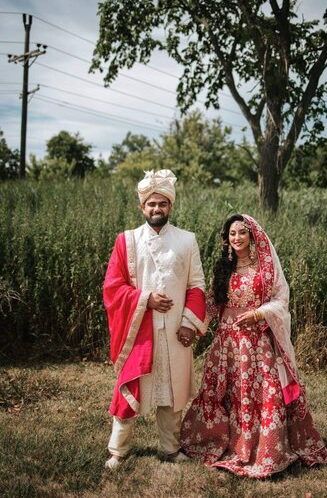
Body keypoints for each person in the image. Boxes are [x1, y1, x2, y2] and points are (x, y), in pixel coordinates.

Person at [180, 214, 327, 478]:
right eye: (232, 234)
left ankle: (262, 448)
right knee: (221, 392)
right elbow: (214, 305)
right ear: (227, 239)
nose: (236, 238)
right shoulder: (223, 269)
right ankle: (220, 441)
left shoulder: (265, 270)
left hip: (255, 344)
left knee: (259, 394)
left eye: (242, 233)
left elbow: (282, 299)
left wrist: (259, 313)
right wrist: (194, 328)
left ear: (253, 236)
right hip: (226, 344)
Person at [103, 169, 207, 469]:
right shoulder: (127, 240)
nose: (156, 209)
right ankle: (118, 451)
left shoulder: (187, 240)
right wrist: (145, 299)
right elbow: (113, 286)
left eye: (162, 203)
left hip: (176, 329)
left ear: (170, 206)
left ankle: (170, 449)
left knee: (171, 393)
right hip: (140, 331)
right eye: (151, 204)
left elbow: (196, 285)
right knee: (130, 389)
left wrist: (189, 323)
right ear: (142, 207)